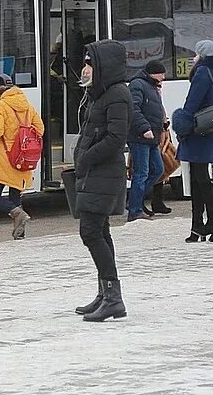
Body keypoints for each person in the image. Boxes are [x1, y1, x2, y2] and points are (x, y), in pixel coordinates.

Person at [73, 40, 131, 322]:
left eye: (89, 64)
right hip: (95, 172)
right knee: (100, 230)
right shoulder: (100, 93)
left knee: (91, 231)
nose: (85, 69)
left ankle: (113, 296)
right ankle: (105, 293)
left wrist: (87, 158)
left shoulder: (117, 94)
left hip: (104, 172)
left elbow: (116, 138)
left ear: (103, 66)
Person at [173, 40, 213, 243]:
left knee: (199, 179)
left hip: (198, 131)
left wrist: (182, 125)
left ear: (202, 56)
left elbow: (191, 103)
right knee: (199, 177)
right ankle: (200, 226)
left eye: (196, 54)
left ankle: (209, 222)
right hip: (208, 130)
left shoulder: (202, 72)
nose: (193, 57)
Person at [0, 73, 44, 240]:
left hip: (6, 157)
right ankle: (20, 234)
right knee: (15, 195)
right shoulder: (27, 105)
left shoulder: (1, 106)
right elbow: (39, 129)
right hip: (23, 157)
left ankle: (18, 214)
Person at [126, 59, 167, 222]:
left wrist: (162, 125)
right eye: (162, 74)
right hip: (140, 136)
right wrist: (144, 128)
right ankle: (135, 210)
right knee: (141, 173)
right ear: (154, 73)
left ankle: (135, 201)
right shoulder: (138, 85)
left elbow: (154, 109)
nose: (164, 77)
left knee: (158, 169)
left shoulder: (151, 86)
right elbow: (133, 109)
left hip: (152, 137)